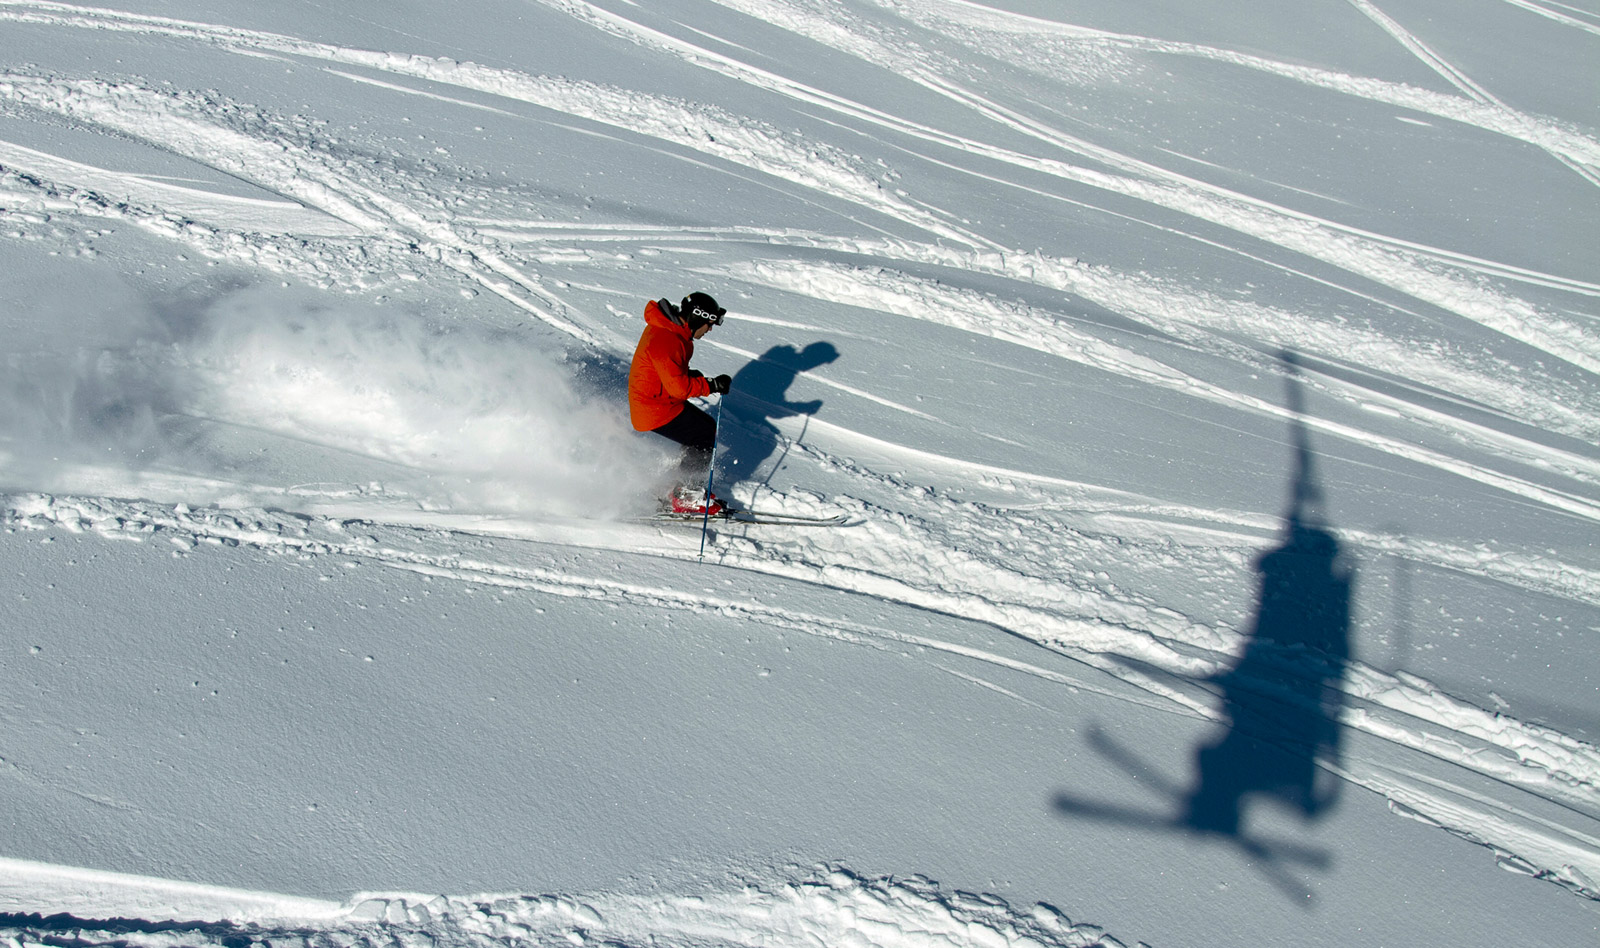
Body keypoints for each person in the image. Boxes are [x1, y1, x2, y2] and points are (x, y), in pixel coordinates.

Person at [628, 291, 733, 515]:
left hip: (658, 400)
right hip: (653, 408)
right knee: (704, 433)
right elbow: (680, 388)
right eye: (709, 323)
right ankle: (686, 495)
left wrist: (692, 376)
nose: (710, 329)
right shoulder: (669, 338)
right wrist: (711, 385)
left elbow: (668, 372)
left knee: (701, 430)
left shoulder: (672, 330)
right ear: (697, 318)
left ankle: (681, 488)